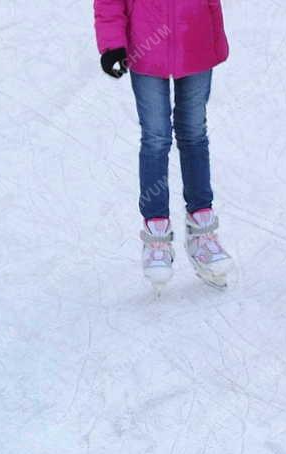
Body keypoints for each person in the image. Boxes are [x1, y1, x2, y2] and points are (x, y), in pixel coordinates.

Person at [94, 0, 233, 288]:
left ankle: (201, 228)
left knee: (194, 134)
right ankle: (156, 233)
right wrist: (112, 44)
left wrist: (215, 36)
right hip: (146, 45)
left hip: (194, 40)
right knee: (156, 138)